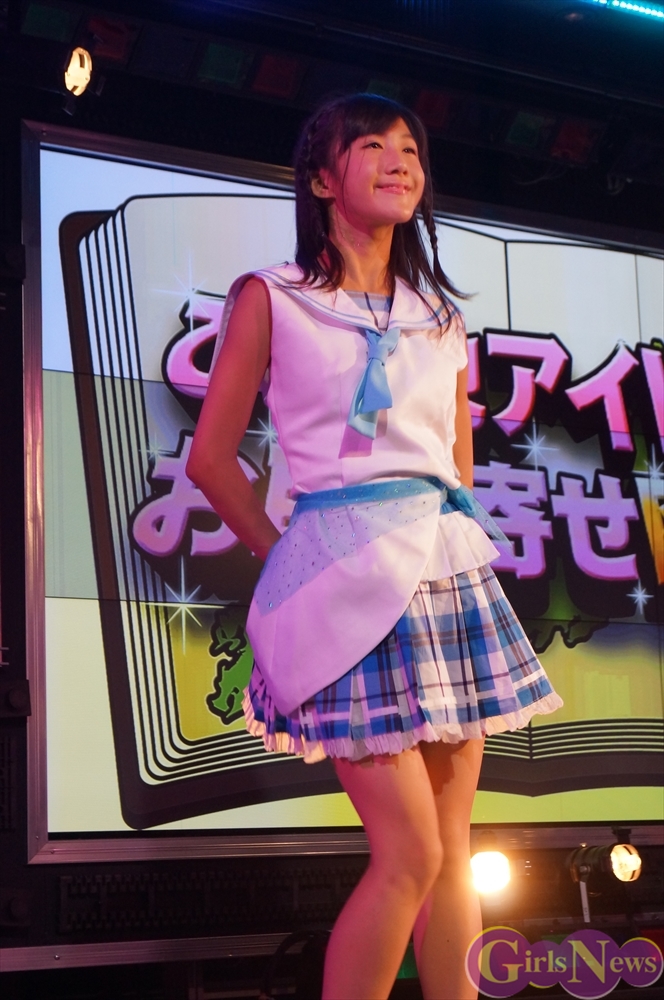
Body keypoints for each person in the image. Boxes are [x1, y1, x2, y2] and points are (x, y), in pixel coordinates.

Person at [187, 93, 562, 1000]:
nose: (401, 162)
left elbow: (457, 469)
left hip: (442, 568)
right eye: (373, 146)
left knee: (453, 851)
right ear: (322, 178)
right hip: (339, 576)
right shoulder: (273, 296)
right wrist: (286, 559)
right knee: (411, 853)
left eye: (411, 150)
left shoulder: (440, 316)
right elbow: (210, 460)